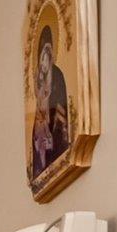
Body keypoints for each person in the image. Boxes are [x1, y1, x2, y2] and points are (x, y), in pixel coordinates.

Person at [30, 24, 71, 177]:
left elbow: (60, 107)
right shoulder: (40, 80)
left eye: (47, 56)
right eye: (42, 57)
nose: (44, 62)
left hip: (54, 127)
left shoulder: (57, 75)